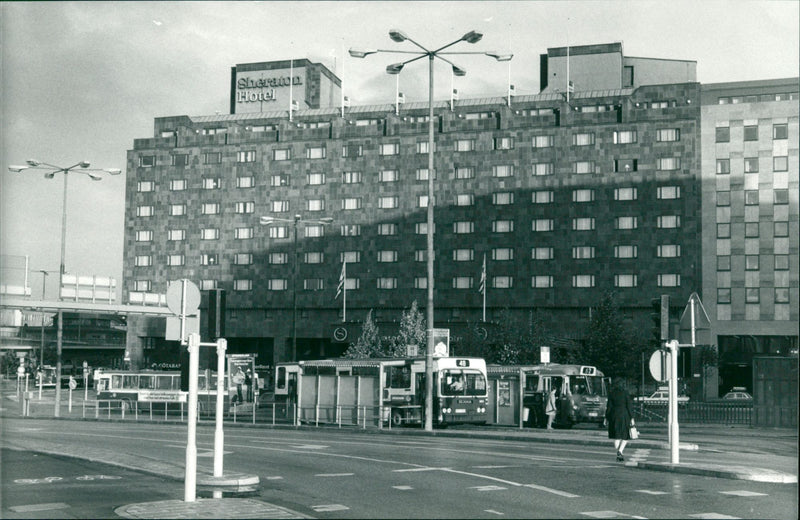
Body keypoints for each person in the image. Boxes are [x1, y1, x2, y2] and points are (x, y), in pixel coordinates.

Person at [605, 379, 634, 461]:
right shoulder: (625, 393)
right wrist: (632, 418)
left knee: (616, 436)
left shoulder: (611, 394)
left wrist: (606, 418)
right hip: (624, 415)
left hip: (614, 416)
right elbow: (629, 406)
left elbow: (609, 407)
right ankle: (620, 451)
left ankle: (619, 453)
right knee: (625, 436)